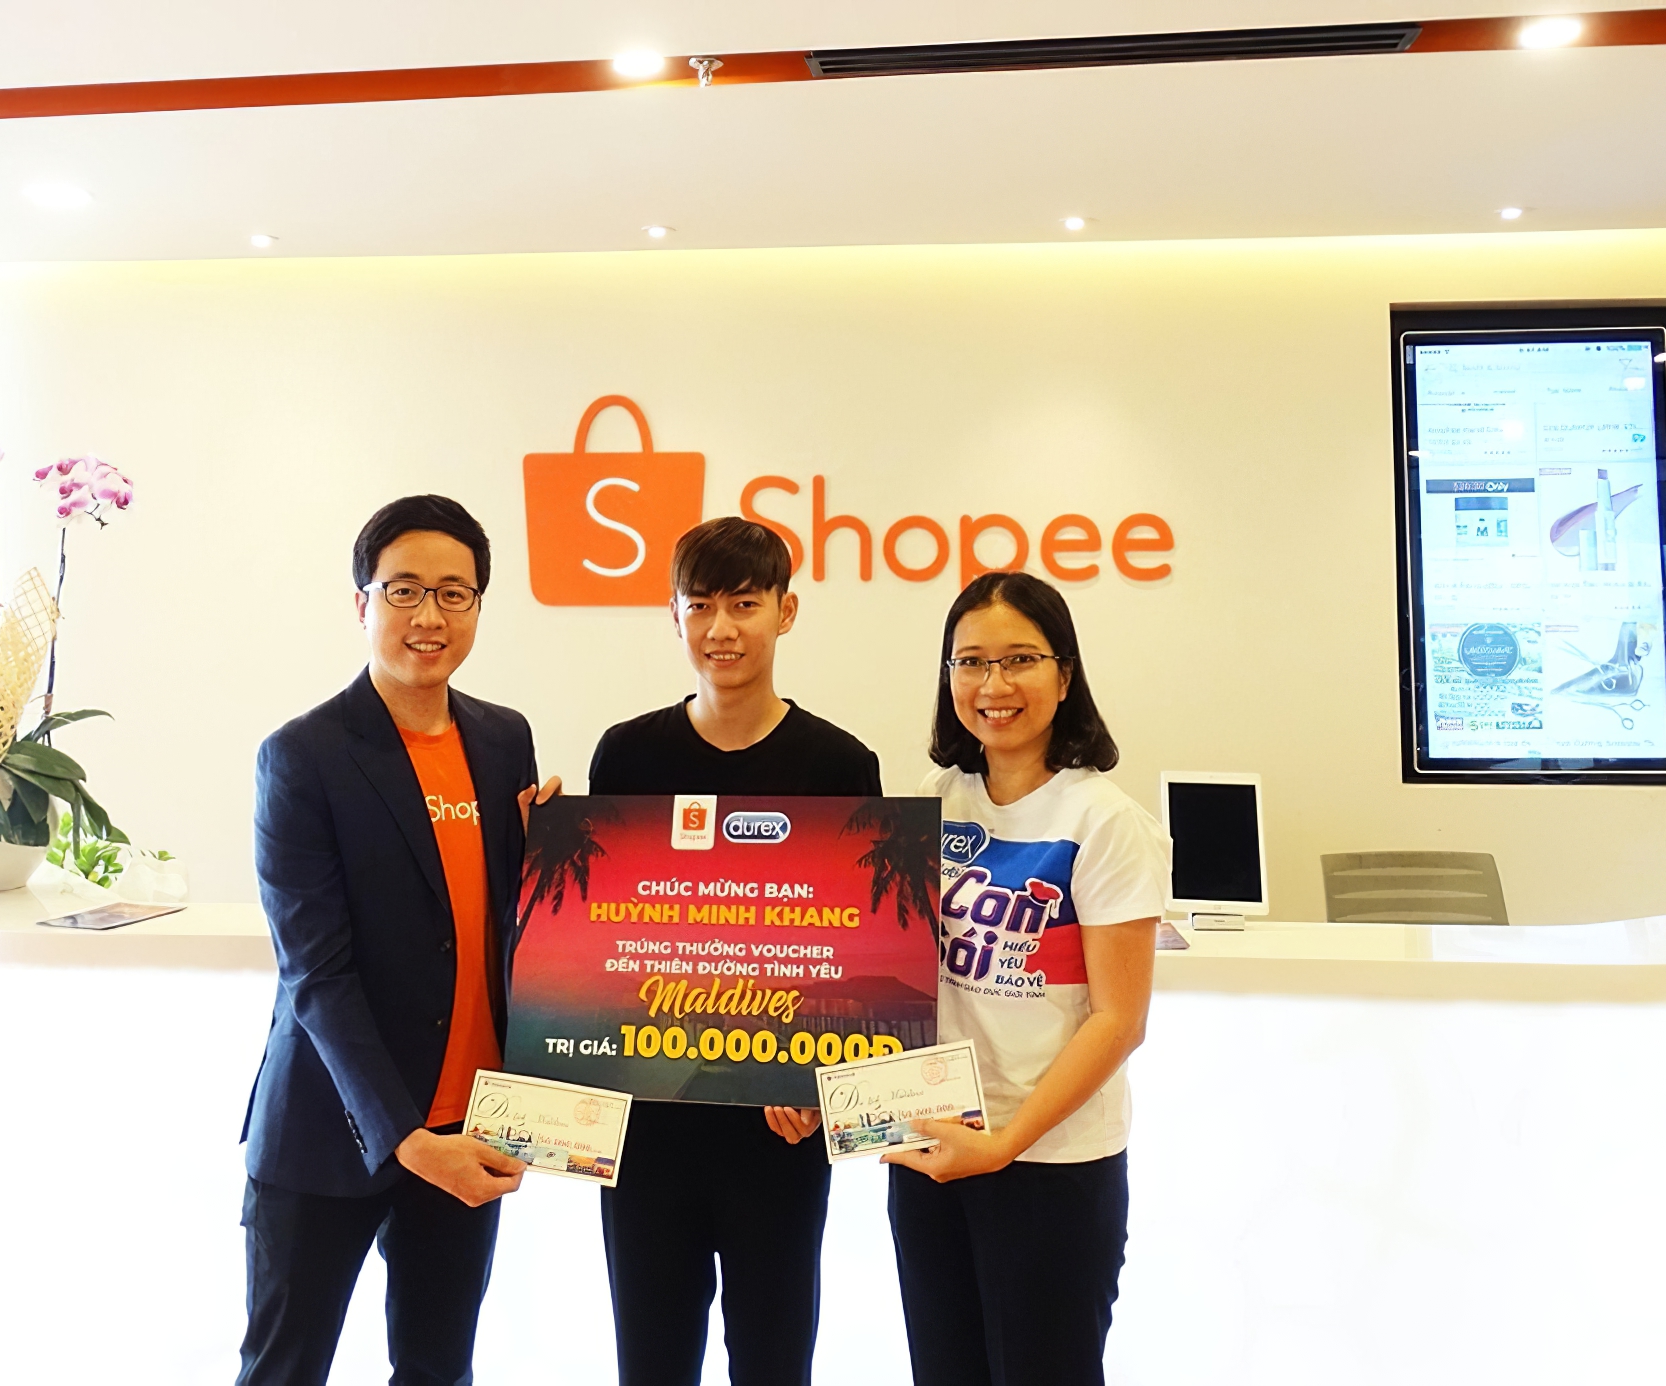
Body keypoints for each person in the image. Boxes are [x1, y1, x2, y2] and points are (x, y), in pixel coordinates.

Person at [237, 494, 557, 1386]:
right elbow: (317, 973)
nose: (430, 616)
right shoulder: (302, 755)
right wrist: (408, 1137)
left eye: (455, 593)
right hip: (332, 1130)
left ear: (478, 606)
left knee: (438, 1370)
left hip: (469, 1122)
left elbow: (506, 929)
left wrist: (556, 861)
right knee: (283, 1369)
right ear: (362, 602)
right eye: (405, 589)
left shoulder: (504, 740)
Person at [587, 516, 883, 1386]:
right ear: (673, 615)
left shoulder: (839, 765)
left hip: (778, 1130)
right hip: (648, 1124)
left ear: (786, 612)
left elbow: (858, 952)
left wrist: (825, 1088)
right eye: (700, 605)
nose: (721, 628)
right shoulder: (627, 755)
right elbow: (608, 939)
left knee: (774, 1359)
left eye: (745, 604)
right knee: (651, 1361)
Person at [881, 570, 1167, 1386]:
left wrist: (1004, 1144)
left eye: (1019, 660)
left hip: (1051, 1165)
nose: (993, 685)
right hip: (935, 1148)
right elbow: (886, 973)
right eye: (970, 662)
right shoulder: (933, 801)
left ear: (1064, 675)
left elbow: (1119, 1021)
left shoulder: (1104, 821)